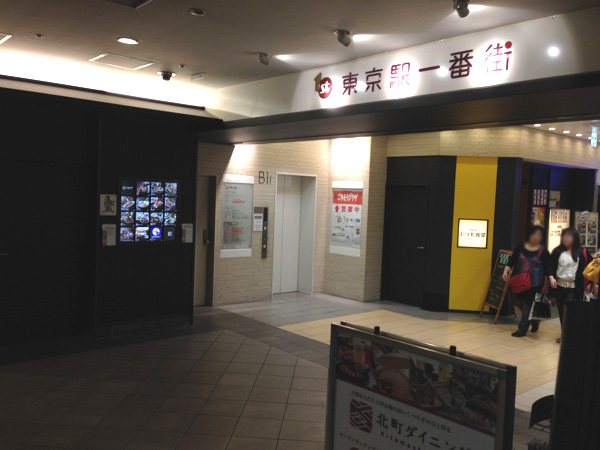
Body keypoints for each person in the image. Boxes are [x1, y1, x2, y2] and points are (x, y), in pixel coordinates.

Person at [503, 226, 550, 338]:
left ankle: (522, 329)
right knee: (518, 302)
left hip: (535, 283)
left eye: (539, 235)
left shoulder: (543, 251)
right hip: (520, 282)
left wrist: (546, 285)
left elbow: (548, 270)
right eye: (534, 234)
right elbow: (511, 261)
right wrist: (505, 271)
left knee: (527, 307)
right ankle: (535, 321)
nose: (536, 237)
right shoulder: (520, 247)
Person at [548, 227, 588, 343]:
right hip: (560, 286)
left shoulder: (581, 252)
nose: (566, 238)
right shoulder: (557, 251)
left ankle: (570, 334)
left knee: (570, 311)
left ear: (575, 238)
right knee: (562, 311)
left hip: (574, 288)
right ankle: (564, 334)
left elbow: (590, 267)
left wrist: (590, 283)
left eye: (569, 236)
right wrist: (551, 277)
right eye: (564, 236)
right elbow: (550, 266)